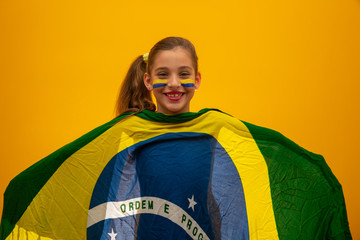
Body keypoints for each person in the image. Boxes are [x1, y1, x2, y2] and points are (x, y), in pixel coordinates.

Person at [0, 37, 352, 240]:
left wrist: (312, 175)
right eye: (163, 74)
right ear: (148, 79)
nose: (173, 83)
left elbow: (242, 177)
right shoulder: (130, 132)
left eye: (183, 74)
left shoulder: (217, 128)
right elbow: (107, 191)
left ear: (197, 80)